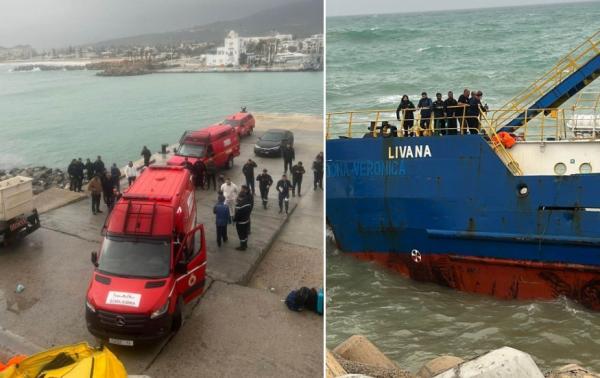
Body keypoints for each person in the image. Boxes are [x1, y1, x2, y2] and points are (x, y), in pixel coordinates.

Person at [233, 186, 253, 251]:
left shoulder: (239, 206)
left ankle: (242, 247)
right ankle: (245, 244)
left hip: (240, 223)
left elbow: (237, 215)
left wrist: (234, 220)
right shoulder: (248, 203)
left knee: (241, 235)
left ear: (240, 198)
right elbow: (250, 210)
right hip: (246, 220)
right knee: (245, 234)